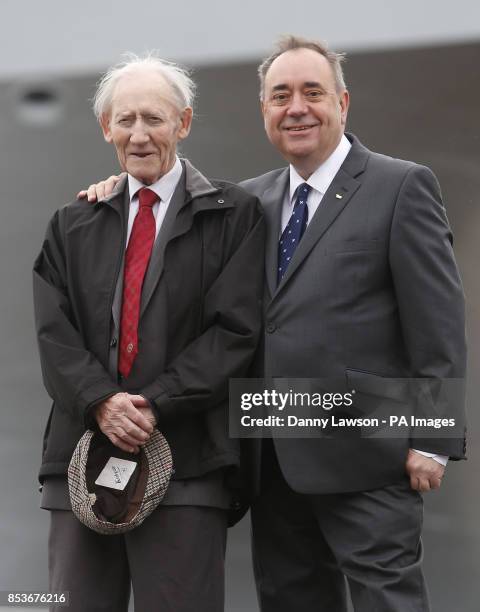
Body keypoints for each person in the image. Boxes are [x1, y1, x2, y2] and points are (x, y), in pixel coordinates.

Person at [80, 37, 466, 612]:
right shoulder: (247, 201)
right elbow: (170, 196)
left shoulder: (401, 186)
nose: (296, 108)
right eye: (280, 96)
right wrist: (121, 190)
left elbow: (438, 321)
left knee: (389, 601)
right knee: (290, 600)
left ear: (343, 102)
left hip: (369, 454)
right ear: (264, 111)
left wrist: (433, 440)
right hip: (272, 455)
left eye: (313, 93)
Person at [33, 53, 264, 612]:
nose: (139, 135)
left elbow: (235, 332)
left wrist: (151, 405)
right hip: (81, 468)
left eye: (155, 119)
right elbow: (53, 333)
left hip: (188, 468)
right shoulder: (71, 224)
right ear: (106, 128)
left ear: (183, 124)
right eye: (126, 119)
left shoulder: (235, 216)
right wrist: (101, 402)